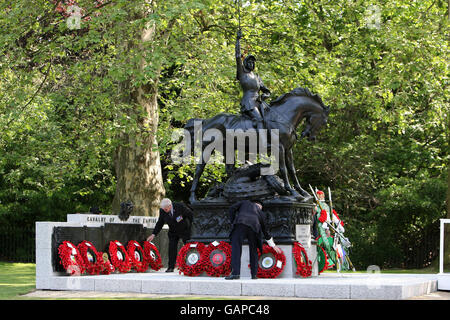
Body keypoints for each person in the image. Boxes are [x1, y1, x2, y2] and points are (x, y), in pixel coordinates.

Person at [225, 199, 281, 280]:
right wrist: (273, 245)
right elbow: (265, 231)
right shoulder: (261, 213)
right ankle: (254, 275)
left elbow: (232, 208)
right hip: (255, 228)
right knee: (254, 250)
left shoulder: (244, 202)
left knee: (236, 248)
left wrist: (233, 221)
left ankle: (235, 274)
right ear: (260, 206)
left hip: (241, 224)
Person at [235, 29, 271, 132]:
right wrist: (238, 40)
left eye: (252, 62)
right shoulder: (242, 73)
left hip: (259, 103)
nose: (251, 64)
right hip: (248, 103)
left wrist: (266, 95)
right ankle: (263, 143)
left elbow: (267, 91)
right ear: (245, 63)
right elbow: (238, 57)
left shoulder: (257, 77)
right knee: (259, 120)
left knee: (271, 119)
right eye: (249, 62)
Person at [146, 198, 193, 272]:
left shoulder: (180, 206)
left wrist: (192, 228)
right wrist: (153, 234)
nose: (165, 211)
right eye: (163, 209)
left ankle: (191, 265)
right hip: (173, 232)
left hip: (184, 230)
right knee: (171, 249)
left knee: (188, 247)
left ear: (170, 205)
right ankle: (171, 267)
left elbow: (191, 215)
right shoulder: (162, 210)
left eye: (166, 209)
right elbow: (160, 223)